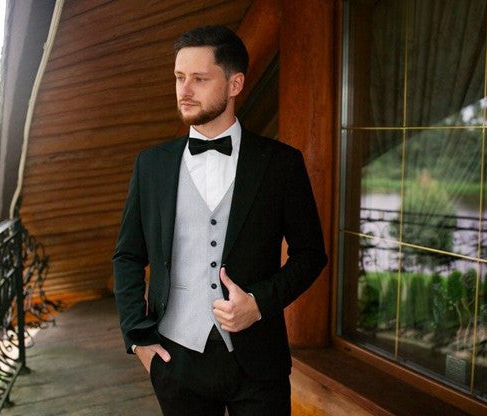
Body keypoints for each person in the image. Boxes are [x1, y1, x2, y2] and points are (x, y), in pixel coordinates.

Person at [112, 25, 327, 416]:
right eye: (179, 77)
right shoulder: (152, 166)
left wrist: (259, 303)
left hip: (259, 363)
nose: (184, 90)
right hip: (176, 360)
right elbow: (128, 255)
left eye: (199, 79)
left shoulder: (281, 164)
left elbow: (311, 254)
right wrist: (137, 337)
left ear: (234, 84)